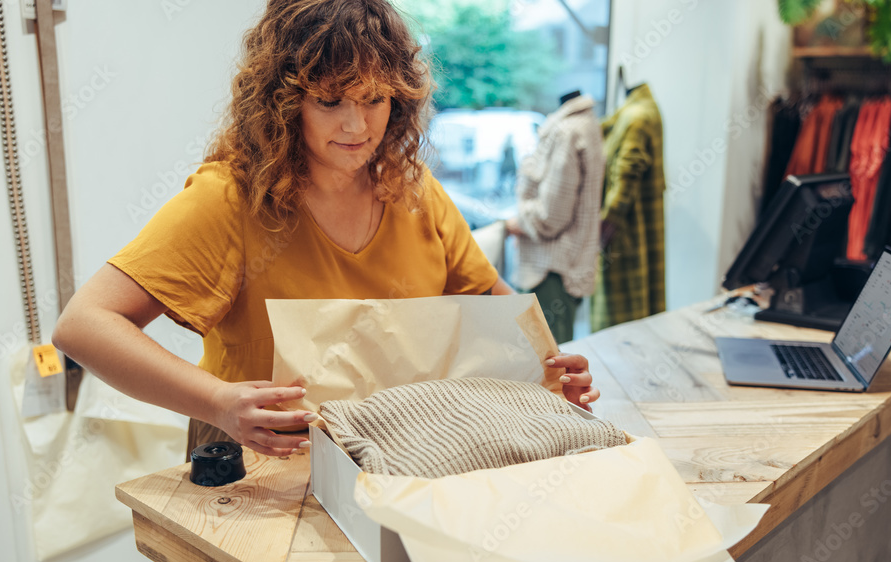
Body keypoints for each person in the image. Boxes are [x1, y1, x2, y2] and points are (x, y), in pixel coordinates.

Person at [52, 0, 599, 460]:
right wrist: (219, 401)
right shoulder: (230, 200)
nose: (356, 126)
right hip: (263, 472)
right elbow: (84, 325)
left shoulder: (414, 190)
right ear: (284, 102)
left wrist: (550, 373)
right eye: (330, 100)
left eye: (374, 99)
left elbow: (493, 312)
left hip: (398, 458)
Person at [504, 90, 604, 344]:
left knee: (546, 363)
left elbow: (551, 217)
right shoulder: (587, 125)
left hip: (550, 269)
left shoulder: (566, 132)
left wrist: (520, 222)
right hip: (564, 265)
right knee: (553, 358)